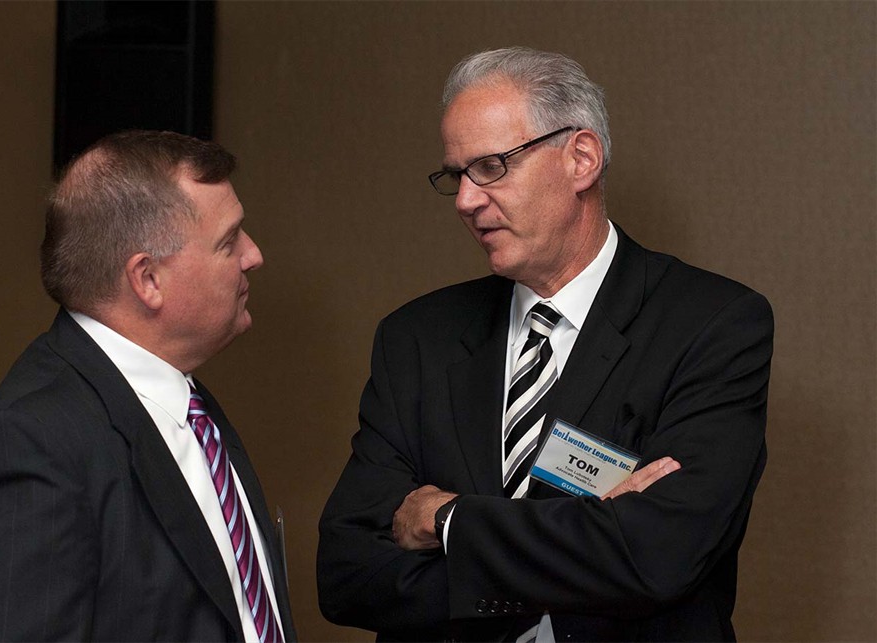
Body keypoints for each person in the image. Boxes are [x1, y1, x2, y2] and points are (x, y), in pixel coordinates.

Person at [318, 47, 772, 641]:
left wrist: (448, 520)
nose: (465, 201)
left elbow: (658, 556)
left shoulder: (713, 324)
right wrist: (589, 541)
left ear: (581, 158)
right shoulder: (416, 338)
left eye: (491, 167)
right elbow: (347, 572)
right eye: (457, 175)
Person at [0, 130, 296, 642]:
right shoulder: (31, 446)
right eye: (229, 240)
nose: (253, 255)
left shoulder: (187, 404)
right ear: (147, 280)